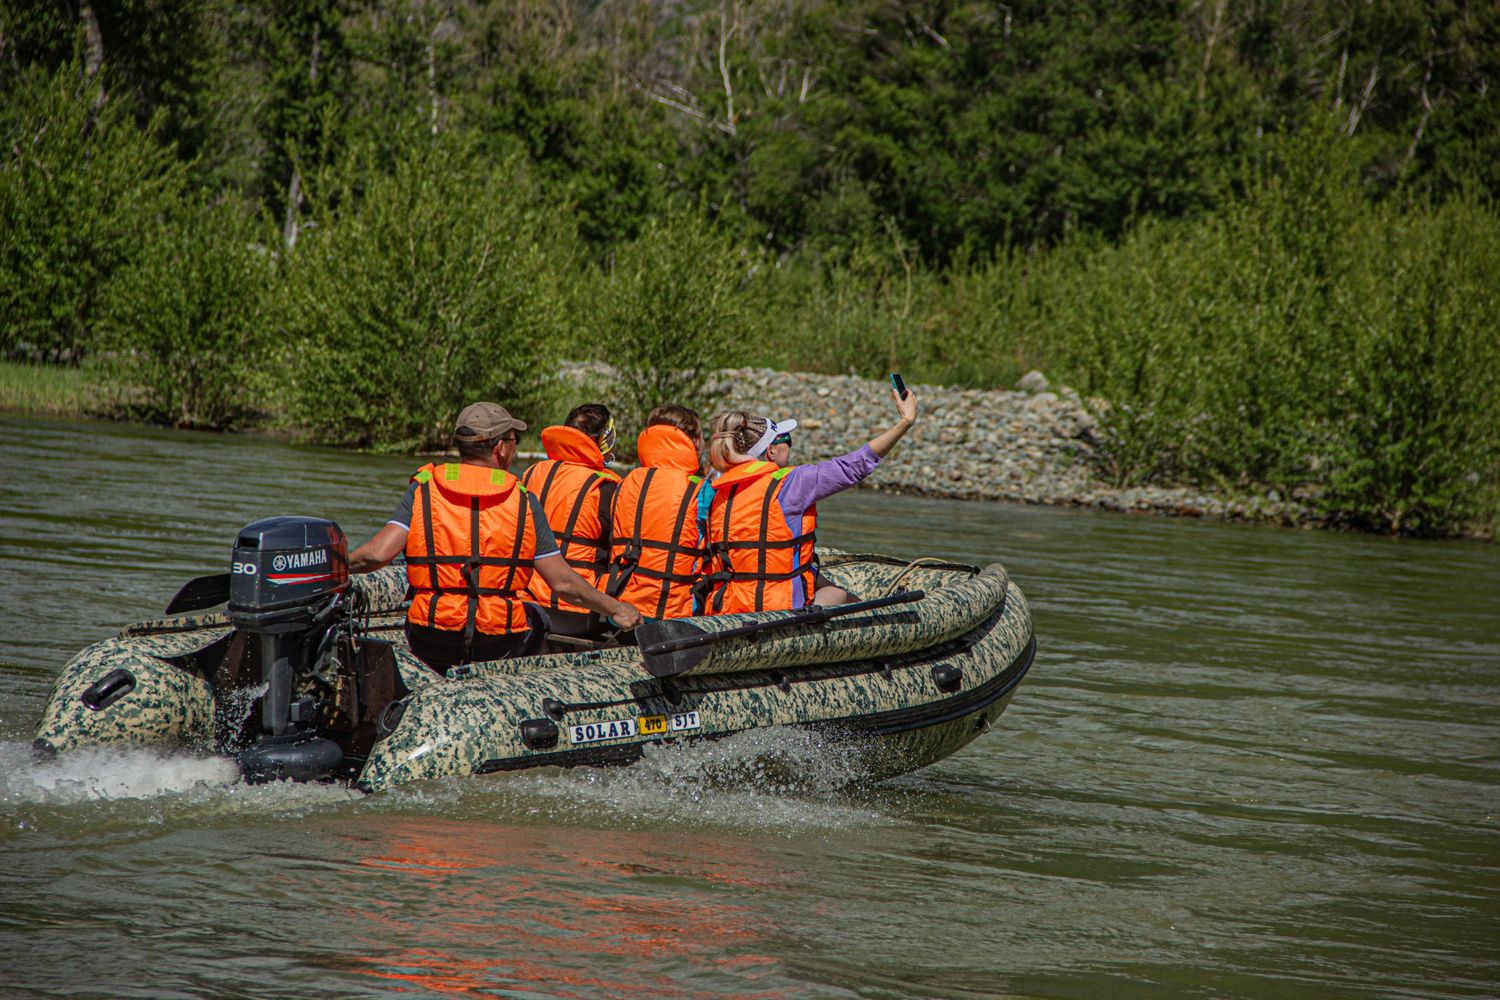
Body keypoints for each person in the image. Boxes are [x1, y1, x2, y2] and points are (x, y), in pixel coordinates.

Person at [348, 402, 642, 674]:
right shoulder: (523, 499)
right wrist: (616, 607)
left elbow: (376, 555)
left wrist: (336, 565)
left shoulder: (423, 487)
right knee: (536, 617)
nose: (513, 449)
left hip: (429, 636)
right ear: (501, 448)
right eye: (514, 441)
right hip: (497, 642)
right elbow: (563, 583)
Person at [700, 385, 919, 613]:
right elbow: (854, 465)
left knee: (816, 578)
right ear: (771, 453)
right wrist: (905, 421)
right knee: (837, 593)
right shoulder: (792, 483)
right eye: (785, 440)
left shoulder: (718, 488)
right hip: (778, 610)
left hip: (727, 609)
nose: (789, 445)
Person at [520, 403, 623, 637]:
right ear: (605, 439)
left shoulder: (531, 473)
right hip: (580, 614)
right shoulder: (605, 487)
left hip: (526, 605)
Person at [607, 404, 706, 621]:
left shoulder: (625, 482)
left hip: (620, 610)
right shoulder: (701, 490)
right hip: (674, 614)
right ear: (695, 441)